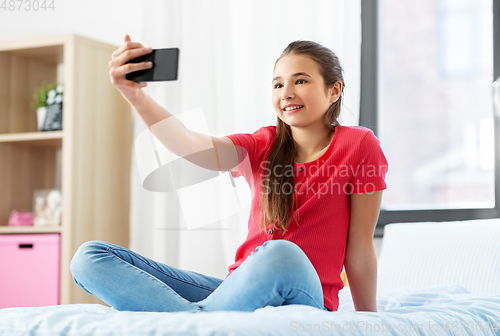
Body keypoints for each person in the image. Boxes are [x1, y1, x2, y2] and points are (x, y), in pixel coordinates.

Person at [70, 35, 388, 313]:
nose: (286, 92)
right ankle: (198, 321)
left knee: (281, 253)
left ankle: (194, 318)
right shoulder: (263, 143)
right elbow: (191, 146)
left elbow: (359, 249)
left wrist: (369, 322)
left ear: (334, 91)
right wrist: (135, 96)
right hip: (237, 287)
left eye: (300, 81)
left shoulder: (359, 144)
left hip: (304, 293)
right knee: (90, 257)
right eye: (278, 84)